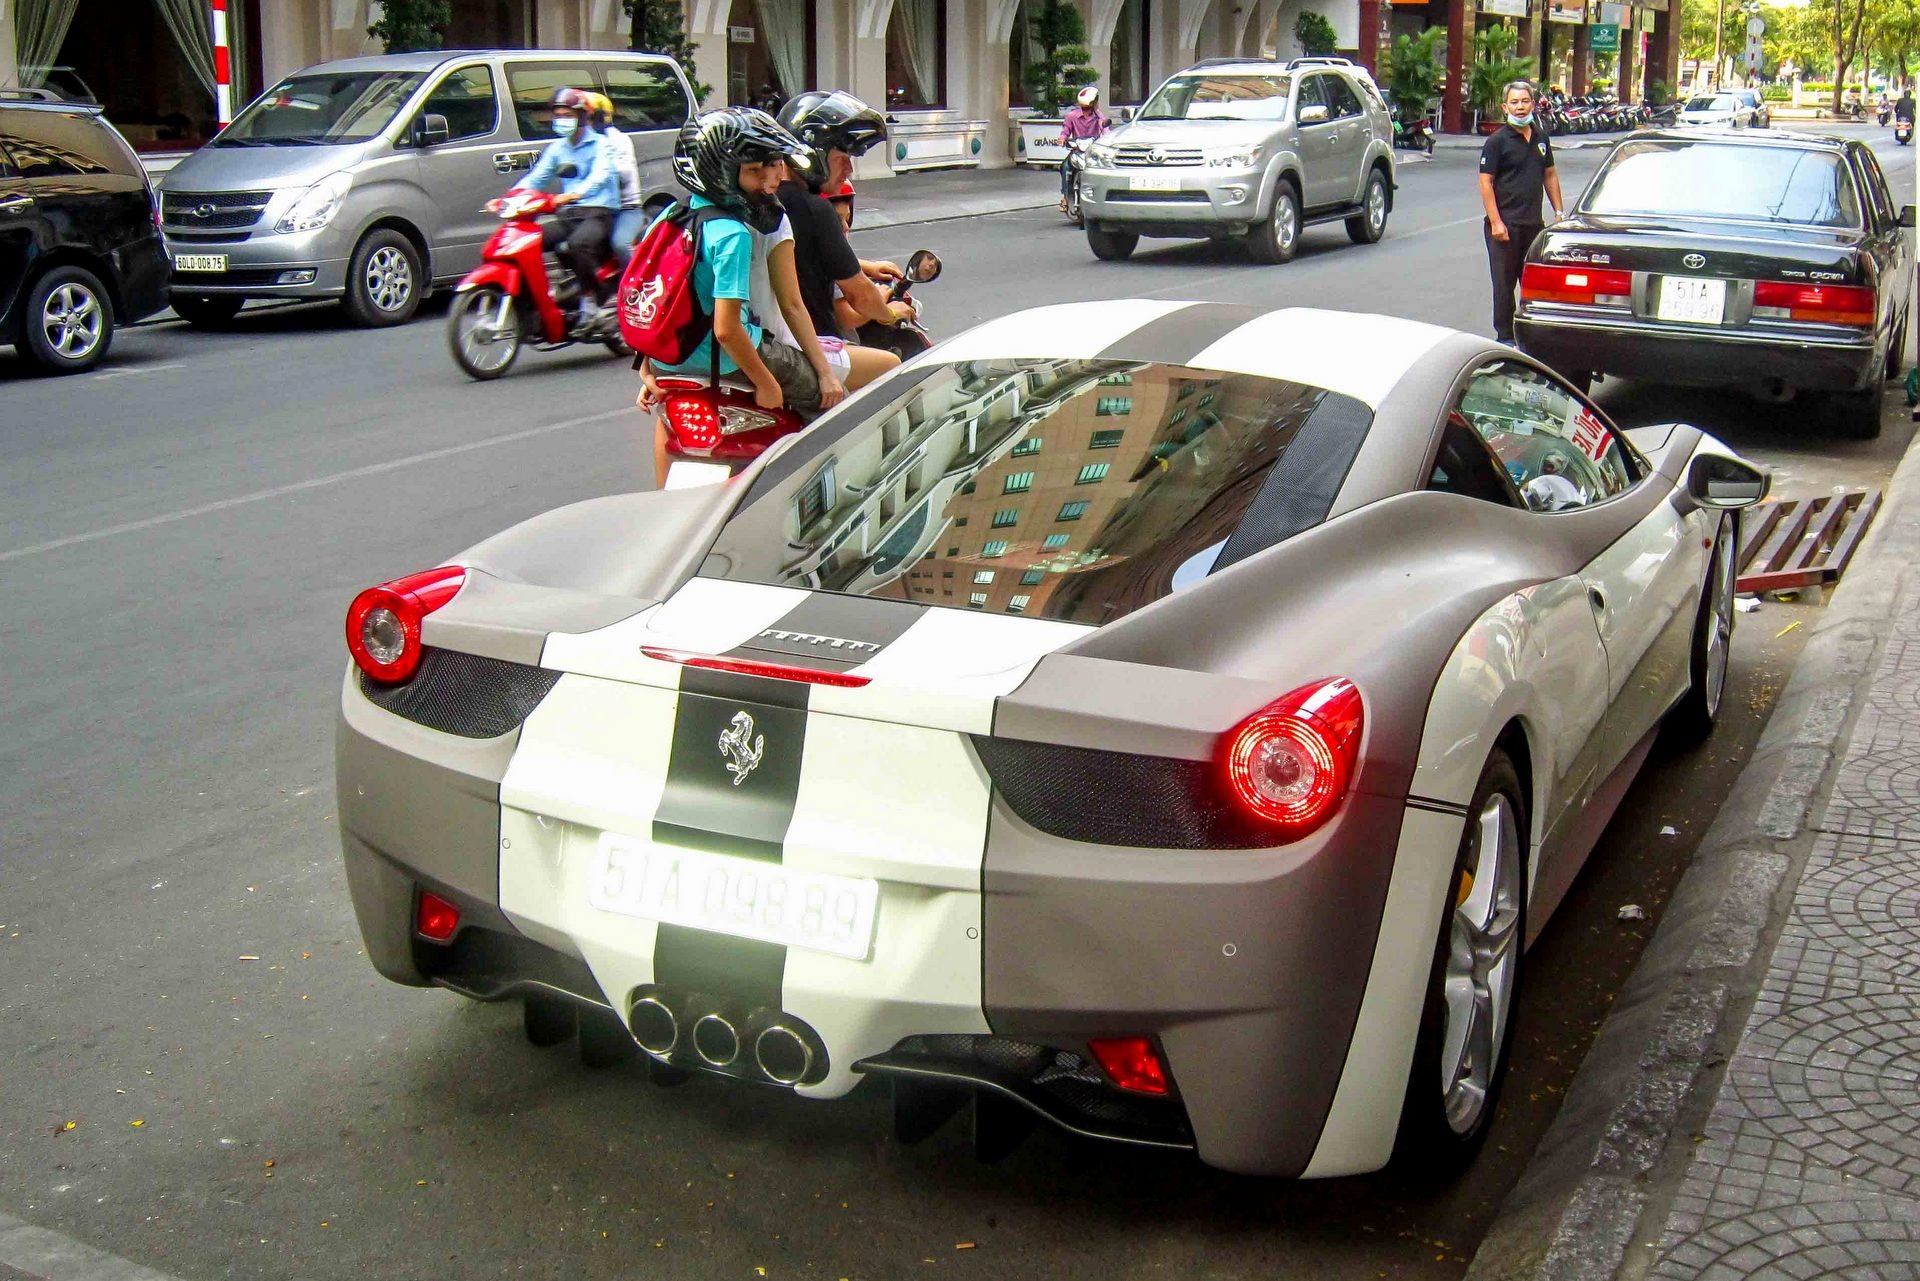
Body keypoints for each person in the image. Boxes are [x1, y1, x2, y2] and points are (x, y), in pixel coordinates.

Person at [638, 109, 850, 477]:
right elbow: (731, 328)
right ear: (718, 173)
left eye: (773, 165)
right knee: (835, 407)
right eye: (754, 170)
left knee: (665, 423)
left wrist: (647, 367)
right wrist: (772, 384)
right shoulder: (733, 234)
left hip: (671, 359)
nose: (770, 180)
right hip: (730, 358)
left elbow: (649, 297)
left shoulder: (669, 216)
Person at [775, 91, 917, 355]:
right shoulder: (814, 210)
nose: (849, 169)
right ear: (812, 156)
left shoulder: (772, 202)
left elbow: (801, 255)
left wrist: (867, 266)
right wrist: (889, 313)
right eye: (841, 159)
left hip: (776, 342)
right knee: (891, 365)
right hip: (812, 345)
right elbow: (860, 296)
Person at [496, 86, 621, 327]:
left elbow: (601, 175)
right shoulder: (558, 148)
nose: (561, 120)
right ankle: (537, 301)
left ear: (581, 117)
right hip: (570, 214)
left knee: (578, 244)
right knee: (529, 240)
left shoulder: (602, 145)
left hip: (599, 213)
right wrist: (507, 199)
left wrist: (575, 193)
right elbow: (535, 178)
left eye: (567, 116)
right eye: (558, 116)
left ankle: (591, 301)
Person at [1478, 80, 1565, 346]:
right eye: (1514, 102)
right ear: (1505, 107)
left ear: (1533, 104)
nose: (1520, 107)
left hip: (1533, 226)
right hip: (1505, 227)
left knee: (1534, 284)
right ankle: (1505, 337)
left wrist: (1559, 212)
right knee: (1504, 286)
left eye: (1524, 101)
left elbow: (1549, 175)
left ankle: (1533, 336)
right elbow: (1485, 182)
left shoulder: (1541, 138)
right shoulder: (1497, 142)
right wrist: (1496, 222)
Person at [584, 91, 647, 261]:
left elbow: (622, 175)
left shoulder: (618, 140)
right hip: (595, 211)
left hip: (626, 209)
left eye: (587, 117)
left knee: (620, 245)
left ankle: (635, 276)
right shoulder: (584, 141)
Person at [1057, 85, 1111, 213]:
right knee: (1064, 167)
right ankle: (1065, 197)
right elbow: (1065, 130)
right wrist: (1062, 139)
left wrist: (1108, 139)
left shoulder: (1098, 116)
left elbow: (1105, 129)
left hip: (1091, 152)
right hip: (1077, 150)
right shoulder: (1072, 116)